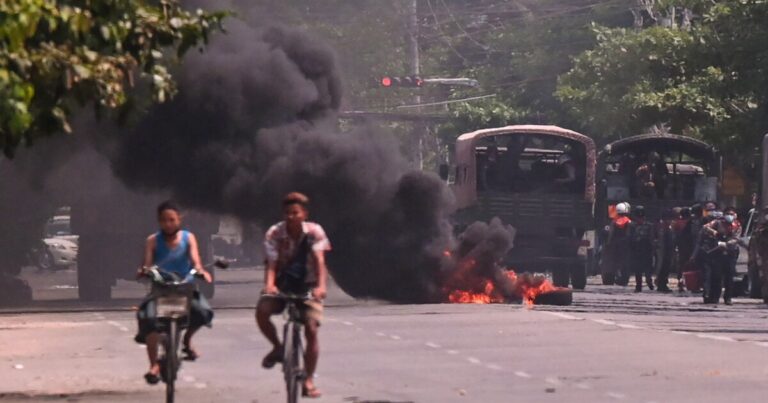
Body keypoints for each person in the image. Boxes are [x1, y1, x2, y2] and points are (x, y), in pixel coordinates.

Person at [256, 192, 330, 399]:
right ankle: (278, 347)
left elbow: (319, 262)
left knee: (311, 329)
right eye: (287, 213)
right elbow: (271, 264)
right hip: (283, 284)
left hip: (309, 285)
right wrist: (269, 285)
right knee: (262, 311)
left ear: (304, 214)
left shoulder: (315, 232)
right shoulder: (274, 233)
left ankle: (308, 380)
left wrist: (321, 287)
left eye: (295, 213)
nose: (291, 217)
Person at [135, 200, 214, 384]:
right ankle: (154, 365)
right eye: (164, 220)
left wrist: (201, 271)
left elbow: (195, 260)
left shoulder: (188, 238)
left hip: (184, 289)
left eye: (172, 219)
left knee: (203, 312)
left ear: (179, 219)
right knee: (148, 319)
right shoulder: (152, 240)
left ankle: (186, 340)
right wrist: (145, 270)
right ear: (159, 221)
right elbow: (147, 263)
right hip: (160, 291)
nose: (168, 224)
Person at [696, 210, 738, 304]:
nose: (730, 216)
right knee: (717, 276)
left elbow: (737, 238)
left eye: (732, 214)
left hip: (730, 252)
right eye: (729, 214)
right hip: (717, 252)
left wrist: (728, 243)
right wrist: (715, 234)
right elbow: (705, 228)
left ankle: (728, 298)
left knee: (729, 277)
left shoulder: (736, 225)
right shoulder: (717, 222)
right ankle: (715, 297)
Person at [604, 202, 632, 286]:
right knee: (625, 262)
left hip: (615, 244)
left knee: (615, 261)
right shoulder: (629, 221)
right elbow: (628, 234)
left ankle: (616, 277)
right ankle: (624, 279)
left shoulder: (614, 221)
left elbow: (611, 233)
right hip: (625, 244)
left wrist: (608, 243)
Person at [629, 205, 655, 292]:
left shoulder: (649, 226)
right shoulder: (632, 226)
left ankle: (649, 282)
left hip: (646, 250)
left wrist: (652, 249)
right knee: (638, 270)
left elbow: (651, 238)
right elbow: (630, 238)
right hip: (637, 250)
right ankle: (639, 285)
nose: (640, 219)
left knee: (647, 269)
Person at [672, 207, 694, 291]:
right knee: (690, 266)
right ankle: (691, 283)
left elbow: (675, 236)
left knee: (681, 266)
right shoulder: (691, 223)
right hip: (690, 248)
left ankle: (680, 282)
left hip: (681, 248)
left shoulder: (677, 223)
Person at [656, 209, 676, 292]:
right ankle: (661, 284)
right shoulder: (663, 228)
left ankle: (662, 284)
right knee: (663, 267)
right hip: (664, 251)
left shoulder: (666, 227)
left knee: (665, 268)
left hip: (667, 251)